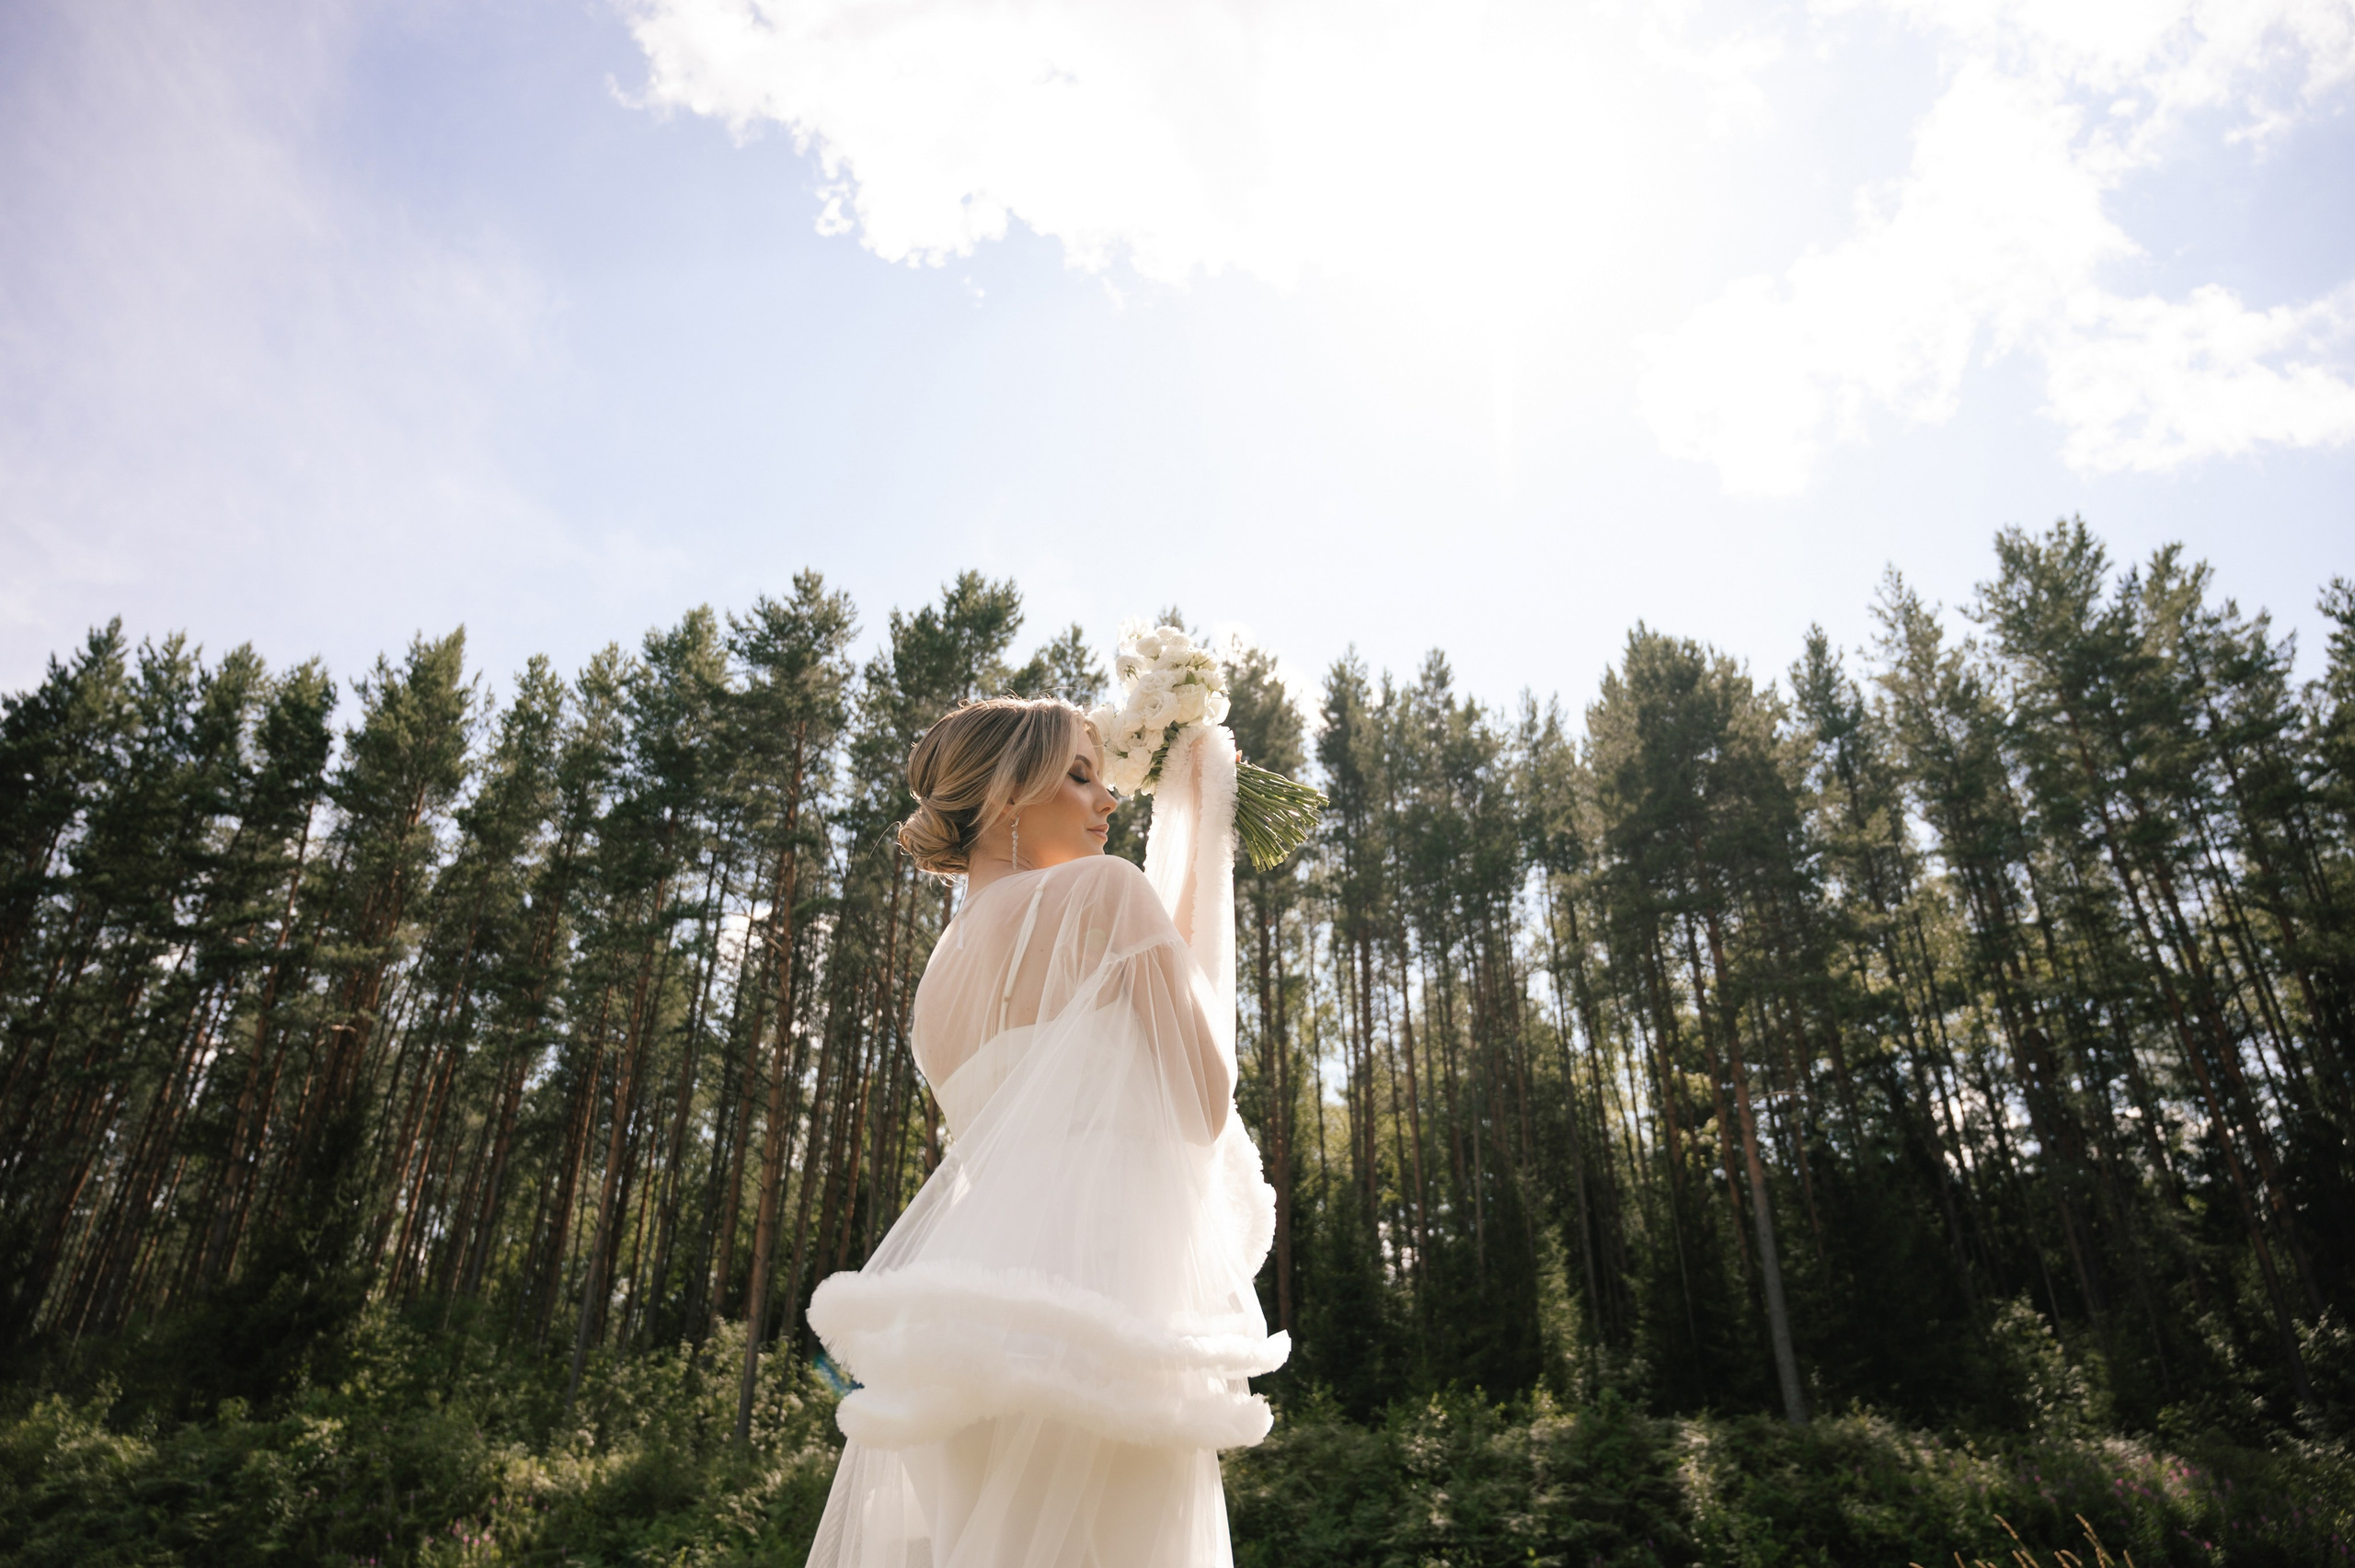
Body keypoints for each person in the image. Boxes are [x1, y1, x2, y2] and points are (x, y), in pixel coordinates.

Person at [804, 695, 1287, 1568]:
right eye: (1077, 774)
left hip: (970, 1322)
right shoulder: (1105, 891)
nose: (1106, 800)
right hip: (1106, 1298)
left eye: (1104, 778)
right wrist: (1197, 834)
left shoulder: (934, 989)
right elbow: (1203, 1097)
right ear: (1003, 795)